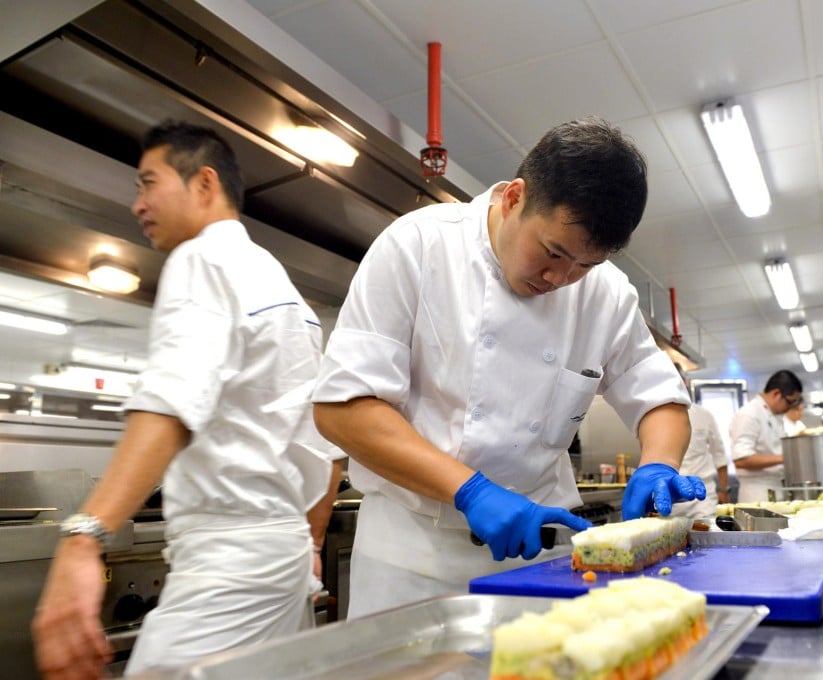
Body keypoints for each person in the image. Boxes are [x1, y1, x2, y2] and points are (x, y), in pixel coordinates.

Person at [312, 117, 706, 618]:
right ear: (514, 197)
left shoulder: (605, 293)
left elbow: (660, 400)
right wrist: (470, 490)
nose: (560, 278)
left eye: (584, 265)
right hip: (411, 564)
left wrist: (658, 464)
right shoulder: (418, 246)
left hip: (543, 560)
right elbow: (342, 409)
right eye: (553, 252)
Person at [32, 121, 343, 678]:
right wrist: (309, 538)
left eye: (147, 183)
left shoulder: (202, 260)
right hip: (282, 556)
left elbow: (171, 401)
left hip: (229, 562)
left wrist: (85, 536)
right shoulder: (280, 286)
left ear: (204, 184)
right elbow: (327, 445)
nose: (138, 204)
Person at [729, 370, 803, 502]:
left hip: (776, 488)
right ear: (776, 393)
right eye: (790, 402)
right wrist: (785, 458)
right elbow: (741, 459)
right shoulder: (749, 414)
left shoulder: (772, 415)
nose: (790, 407)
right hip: (758, 493)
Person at [673, 372, 729, 518]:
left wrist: (723, 489)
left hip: (702, 498)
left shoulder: (704, 415)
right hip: (671, 497)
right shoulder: (653, 418)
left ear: (684, 382)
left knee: (706, 537)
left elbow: (719, 455)